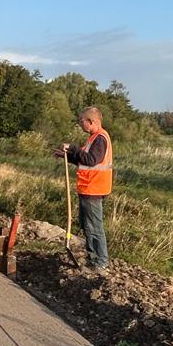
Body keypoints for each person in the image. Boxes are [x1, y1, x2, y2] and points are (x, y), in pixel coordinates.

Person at [54, 106, 113, 269]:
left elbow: (91, 160)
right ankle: (93, 258)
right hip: (88, 188)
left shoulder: (100, 139)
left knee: (94, 227)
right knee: (87, 225)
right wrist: (67, 156)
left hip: (94, 189)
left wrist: (73, 148)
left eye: (82, 121)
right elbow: (84, 160)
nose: (80, 124)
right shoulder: (93, 138)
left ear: (91, 121)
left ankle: (100, 262)